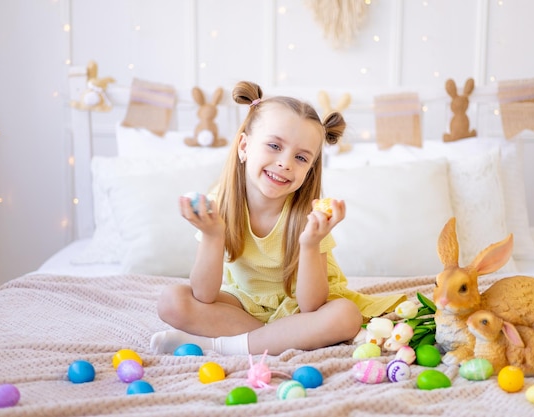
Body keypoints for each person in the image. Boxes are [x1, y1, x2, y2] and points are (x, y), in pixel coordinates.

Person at [150, 81, 405, 356]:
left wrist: (310, 244)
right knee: (171, 301)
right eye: (274, 145)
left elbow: (311, 306)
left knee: (345, 316)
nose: (285, 163)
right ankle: (274, 340)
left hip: (301, 310)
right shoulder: (220, 202)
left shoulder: (311, 214)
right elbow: (204, 294)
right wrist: (213, 236)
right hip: (245, 305)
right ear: (244, 146)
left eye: (300, 157)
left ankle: (218, 346)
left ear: (310, 169)